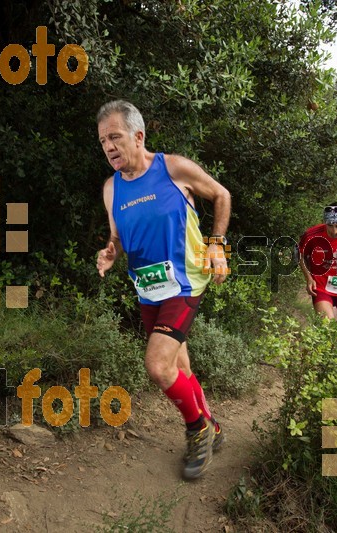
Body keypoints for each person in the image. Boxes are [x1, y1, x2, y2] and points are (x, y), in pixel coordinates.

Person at [95, 100, 231, 480]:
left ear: (138, 137)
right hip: (148, 289)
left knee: (157, 365)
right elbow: (117, 235)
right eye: (103, 140)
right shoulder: (111, 188)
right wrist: (110, 251)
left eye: (115, 137)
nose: (109, 146)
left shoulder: (173, 168)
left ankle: (198, 429)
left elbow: (222, 195)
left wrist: (218, 245)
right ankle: (211, 424)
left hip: (186, 282)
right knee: (178, 366)